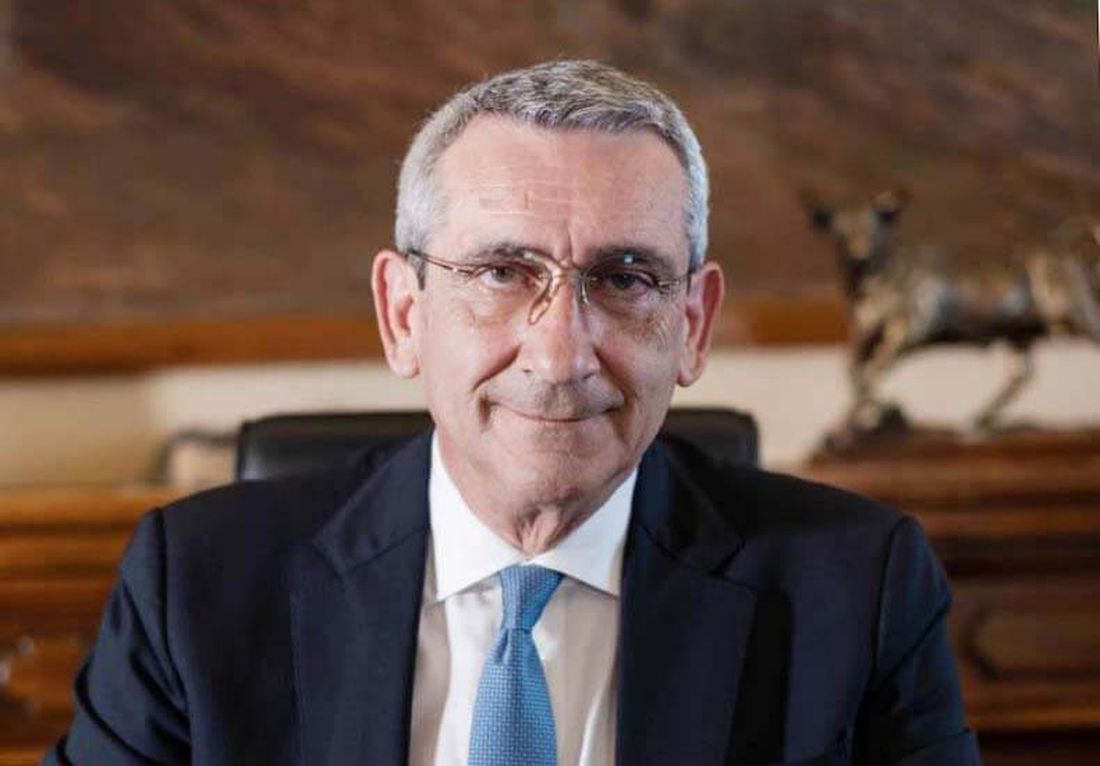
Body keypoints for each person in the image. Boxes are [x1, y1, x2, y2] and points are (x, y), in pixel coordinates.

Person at [46, 60, 981, 765]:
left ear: (693, 325)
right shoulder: (197, 588)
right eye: (501, 273)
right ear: (403, 314)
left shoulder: (857, 592)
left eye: (625, 279)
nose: (560, 354)